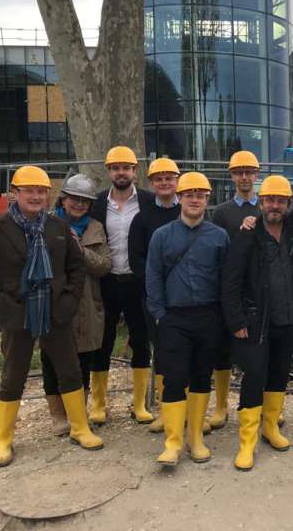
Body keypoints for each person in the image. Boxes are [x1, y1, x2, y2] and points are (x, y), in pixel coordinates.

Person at [0, 166, 103, 467]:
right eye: (28, 190)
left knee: (70, 371)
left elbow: (77, 267)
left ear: (48, 194)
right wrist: (0, 308)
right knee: (13, 376)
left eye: (41, 191)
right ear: (14, 193)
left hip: (55, 312)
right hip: (17, 315)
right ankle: (4, 440)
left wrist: (68, 301)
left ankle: (80, 428)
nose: (35, 196)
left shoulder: (57, 227)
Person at [222, 175, 293, 471]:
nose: (275, 205)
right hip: (256, 321)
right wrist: (236, 320)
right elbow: (230, 281)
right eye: (269, 200)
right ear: (261, 202)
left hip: (287, 319)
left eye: (280, 201)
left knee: (278, 374)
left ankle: (270, 427)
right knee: (254, 376)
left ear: (288, 204)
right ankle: (247, 441)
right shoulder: (247, 235)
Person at [146, 172, 229, 467]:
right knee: (173, 379)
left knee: (200, 378)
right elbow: (153, 276)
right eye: (190, 194)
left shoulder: (219, 237)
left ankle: (196, 438)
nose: (195, 199)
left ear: (208, 199)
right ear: (180, 197)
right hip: (174, 318)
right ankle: (173, 442)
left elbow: (225, 279)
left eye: (201, 195)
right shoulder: (162, 236)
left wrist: (222, 316)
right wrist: (160, 316)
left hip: (208, 316)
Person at [89, 146, 155, 426]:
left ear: (135, 171)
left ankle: (139, 404)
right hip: (106, 280)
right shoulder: (97, 202)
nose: (121, 173)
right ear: (109, 172)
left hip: (137, 282)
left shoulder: (149, 202)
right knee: (101, 342)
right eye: (116, 168)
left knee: (141, 341)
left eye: (126, 168)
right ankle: (99, 404)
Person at [42, 174, 111, 436]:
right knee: (51, 358)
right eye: (75, 199)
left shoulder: (95, 228)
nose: (79, 205)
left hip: (87, 303)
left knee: (83, 358)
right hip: (54, 301)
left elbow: (105, 265)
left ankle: (78, 413)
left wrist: (80, 250)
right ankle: (58, 415)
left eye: (85, 201)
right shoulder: (47, 223)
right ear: (64, 198)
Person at [127, 157, 181, 433]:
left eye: (169, 178)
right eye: (158, 179)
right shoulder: (142, 219)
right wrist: (157, 285)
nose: (164, 182)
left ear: (177, 181)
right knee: (161, 351)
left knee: (190, 352)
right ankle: (165, 409)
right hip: (155, 298)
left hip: (188, 299)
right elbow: (136, 260)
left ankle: (191, 408)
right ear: (151, 183)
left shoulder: (191, 210)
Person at [208, 150, 261, 430]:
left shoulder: (267, 206)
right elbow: (218, 252)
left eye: (249, 171)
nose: (244, 177)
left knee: (261, 351)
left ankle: (263, 404)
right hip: (230, 289)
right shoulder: (222, 212)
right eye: (239, 172)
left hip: (259, 291)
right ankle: (220, 406)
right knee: (223, 350)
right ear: (232, 176)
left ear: (257, 174)